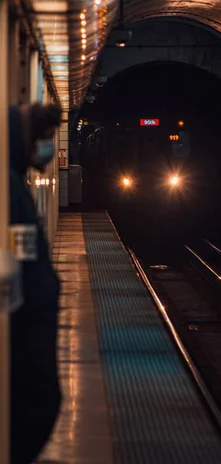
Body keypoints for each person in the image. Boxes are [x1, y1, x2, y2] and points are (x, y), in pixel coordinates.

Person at [9, 103, 62, 464]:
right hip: (27, 322)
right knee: (38, 401)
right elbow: (20, 252)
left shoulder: (13, 183)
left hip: (30, 316)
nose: (48, 148)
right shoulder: (10, 189)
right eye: (45, 139)